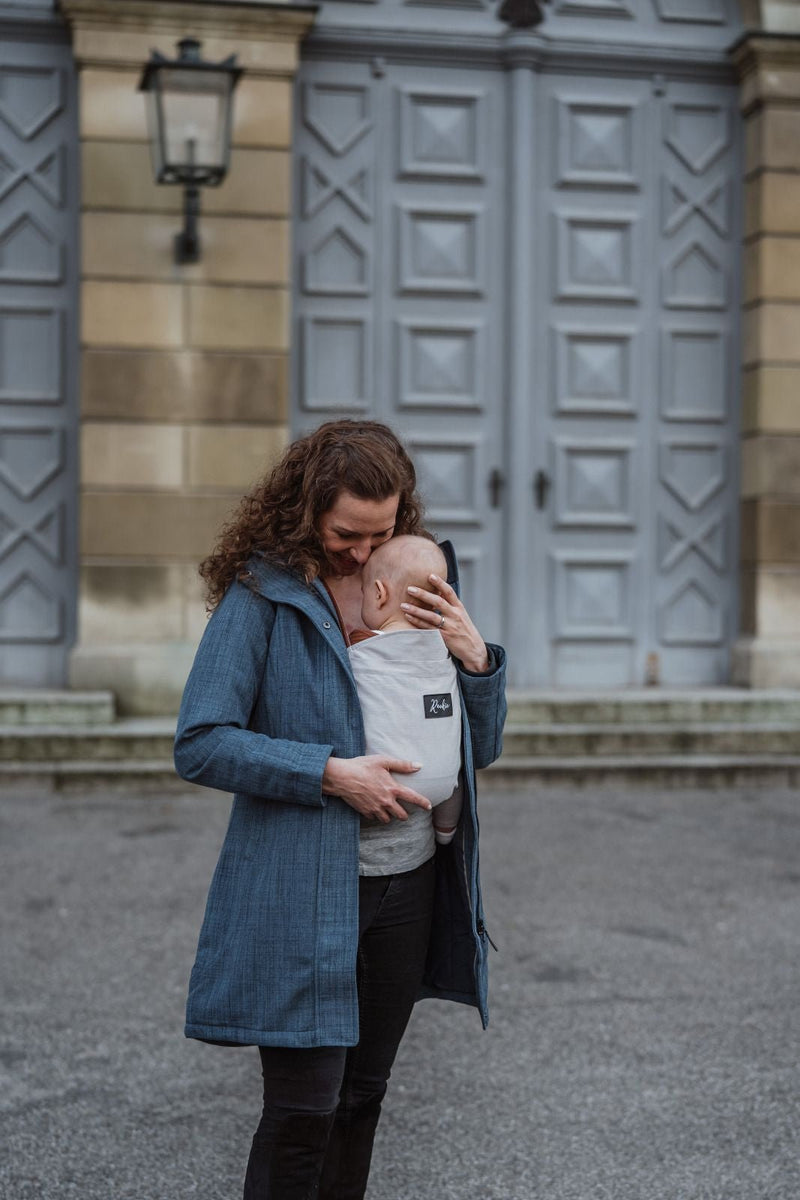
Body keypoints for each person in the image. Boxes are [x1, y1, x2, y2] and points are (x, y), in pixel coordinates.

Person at [173, 419, 507, 1200]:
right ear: (305, 514)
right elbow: (201, 741)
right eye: (344, 536)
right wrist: (327, 773)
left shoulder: (418, 582)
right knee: (303, 1110)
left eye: (380, 533)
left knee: (362, 1100)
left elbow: (474, 750)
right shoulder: (264, 598)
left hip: (410, 885)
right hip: (303, 892)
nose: (362, 555)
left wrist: (477, 663)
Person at [349, 534, 465, 855]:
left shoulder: (361, 651)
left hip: (384, 787)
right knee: (451, 769)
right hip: (442, 785)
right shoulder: (446, 651)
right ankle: (445, 831)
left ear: (378, 593)